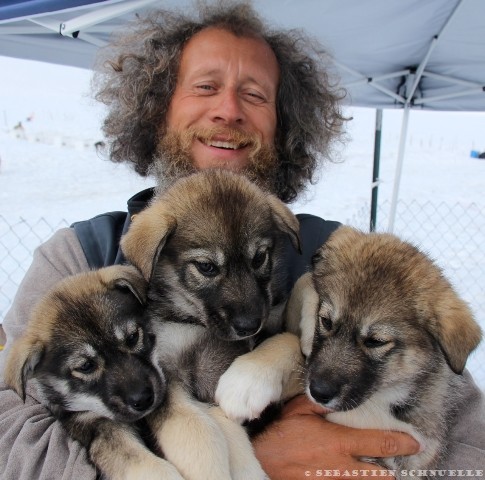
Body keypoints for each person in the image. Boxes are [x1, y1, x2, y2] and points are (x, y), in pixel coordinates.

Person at [0, 2, 483, 479]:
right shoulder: (82, 256)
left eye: (254, 95)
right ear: (157, 108)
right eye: (205, 86)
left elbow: (463, 431)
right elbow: (10, 433)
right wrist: (255, 463)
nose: (228, 110)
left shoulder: (338, 256)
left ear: (285, 124)